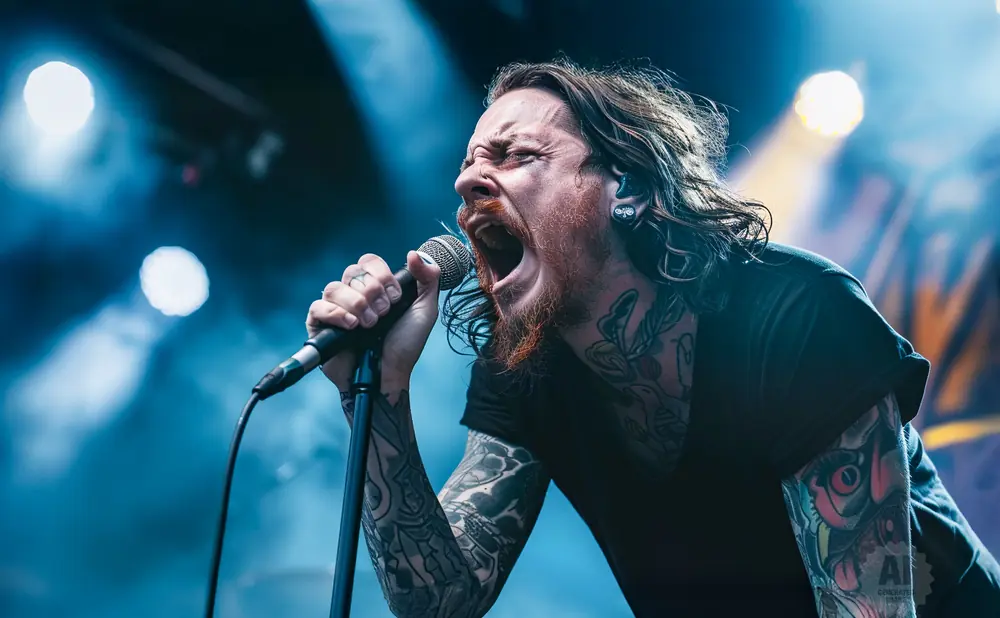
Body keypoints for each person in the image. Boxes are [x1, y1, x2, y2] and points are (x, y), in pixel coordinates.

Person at [305, 58, 1000, 617]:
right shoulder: (527, 365)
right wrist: (380, 395)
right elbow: (439, 601)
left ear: (628, 189)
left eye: (515, 154)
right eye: (467, 165)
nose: (467, 181)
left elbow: (869, 609)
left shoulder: (795, 316)